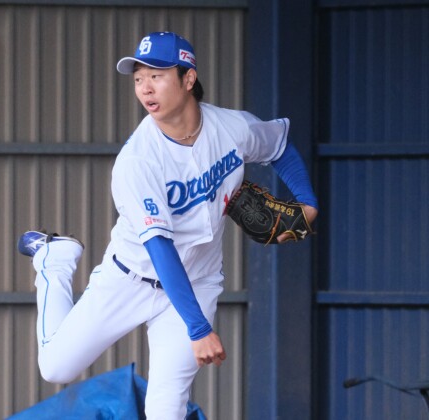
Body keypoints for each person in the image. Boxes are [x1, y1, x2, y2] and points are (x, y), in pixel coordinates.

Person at [18, 31, 318, 419]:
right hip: (130, 278)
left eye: (157, 75)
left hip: (198, 280)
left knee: (167, 405)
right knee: (56, 367)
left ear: (188, 79)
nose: (145, 88)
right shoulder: (137, 161)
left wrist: (308, 202)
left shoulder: (232, 129)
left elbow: (279, 145)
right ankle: (55, 259)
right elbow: (160, 249)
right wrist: (198, 328)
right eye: (139, 78)